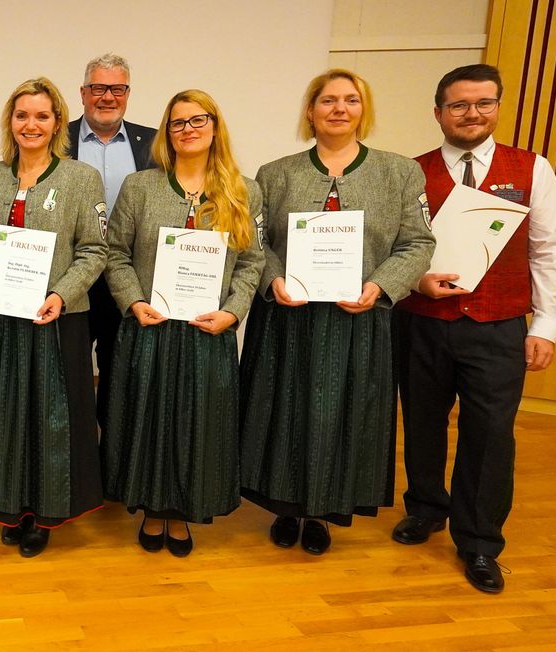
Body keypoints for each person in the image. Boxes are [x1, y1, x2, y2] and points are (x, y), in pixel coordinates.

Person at [240, 69, 434, 556]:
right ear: (311, 111)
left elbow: (417, 244)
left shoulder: (399, 172)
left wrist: (379, 286)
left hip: (358, 319)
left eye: (351, 100)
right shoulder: (276, 173)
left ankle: (323, 511)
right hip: (289, 317)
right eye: (328, 100)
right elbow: (258, 244)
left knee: (339, 414)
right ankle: (286, 505)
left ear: (363, 111)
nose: (339, 109)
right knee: (285, 410)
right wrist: (274, 280)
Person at [391, 64, 556, 593]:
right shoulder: (410, 171)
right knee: (421, 422)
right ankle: (426, 507)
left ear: (497, 106)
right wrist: (416, 281)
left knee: (490, 435)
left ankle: (480, 541)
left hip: (498, 326)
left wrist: (549, 324)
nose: (472, 114)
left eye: (483, 103)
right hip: (422, 322)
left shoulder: (532, 169)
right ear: (439, 112)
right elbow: (394, 246)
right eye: (459, 105)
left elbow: (550, 250)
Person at [102, 89, 265, 557]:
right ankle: (153, 510)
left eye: (198, 120)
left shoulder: (243, 190)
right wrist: (133, 302)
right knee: (149, 418)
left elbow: (252, 262)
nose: (188, 130)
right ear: (165, 133)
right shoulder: (142, 187)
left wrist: (233, 312)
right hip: (150, 327)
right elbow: (115, 253)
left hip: (207, 331)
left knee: (199, 422)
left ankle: (182, 513)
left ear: (215, 127)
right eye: (177, 123)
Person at [0, 77, 107, 558]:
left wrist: (62, 295)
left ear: (58, 123)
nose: (31, 124)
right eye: (22, 115)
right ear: (11, 122)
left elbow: (94, 250)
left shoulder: (80, 179)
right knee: (3, 413)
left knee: (50, 419)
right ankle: (11, 505)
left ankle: (43, 513)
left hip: (55, 320)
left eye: (42, 116)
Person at [66, 53, 157, 438]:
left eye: (116, 88)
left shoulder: (154, 144)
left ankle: (113, 455)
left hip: (128, 278)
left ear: (128, 93)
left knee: (120, 370)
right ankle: (77, 453)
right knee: (68, 368)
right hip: (71, 276)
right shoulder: (58, 138)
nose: (107, 96)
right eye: (99, 88)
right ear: (83, 92)